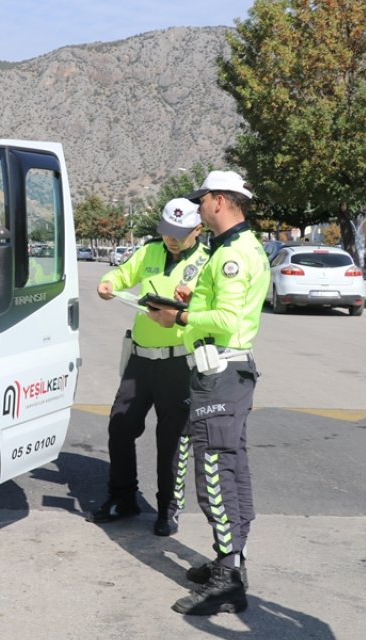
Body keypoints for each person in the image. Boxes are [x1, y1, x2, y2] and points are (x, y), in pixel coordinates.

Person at [145, 170, 268, 616]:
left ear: (219, 200)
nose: (197, 208)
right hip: (226, 372)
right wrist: (190, 299)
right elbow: (221, 307)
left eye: (201, 201)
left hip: (220, 372)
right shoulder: (238, 247)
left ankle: (227, 580)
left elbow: (229, 319)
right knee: (233, 468)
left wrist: (177, 319)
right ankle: (231, 559)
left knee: (215, 472)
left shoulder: (234, 253)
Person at [86, 198, 208, 537]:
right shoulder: (150, 252)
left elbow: (211, 311)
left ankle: (168, 509)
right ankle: (123, 497)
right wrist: (110, 283)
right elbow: (124, 273)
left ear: (197, 229)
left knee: (171, 440)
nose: (171, 238)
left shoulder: (208, 262)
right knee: (120, 426)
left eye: (179, 233)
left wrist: (188, 306)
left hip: (178, 362)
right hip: (141, 360)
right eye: (167, 231)